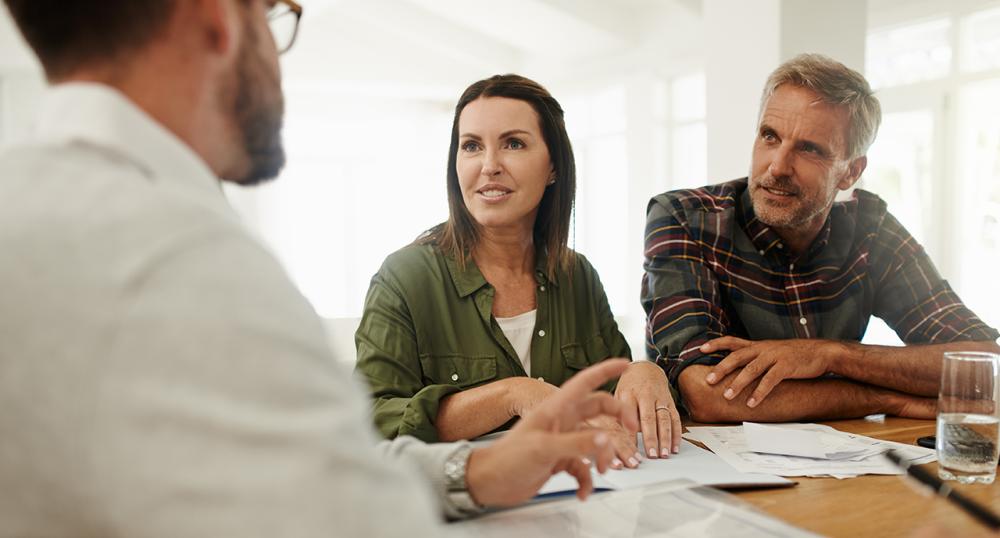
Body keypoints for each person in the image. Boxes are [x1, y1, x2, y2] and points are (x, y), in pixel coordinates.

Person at [0, 1, 639, 534]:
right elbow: (359, 513)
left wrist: (471, 472)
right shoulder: (198, 262)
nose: (489, 164)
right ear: (219, 18)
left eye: (513, 144)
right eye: (276, 14)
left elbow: (292, 470)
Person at [642, 53, 1000, 424]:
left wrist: (832, 355)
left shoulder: (870, 229)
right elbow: (707, 393)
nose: (778, 166)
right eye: (770, 136)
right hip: (714, 473)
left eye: (809, 149)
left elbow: (983, 364)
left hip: (842, 466)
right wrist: (883, 398)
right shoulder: (685, 217)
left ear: (851, 172)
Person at [354, 74, 681, 466]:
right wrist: (513, 395)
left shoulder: (577, 276)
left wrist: (643, 373)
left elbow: (613, 400)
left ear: (554, 167)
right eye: (472, 146)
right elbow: (370, 422)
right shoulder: (404, 277)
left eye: (513, 143)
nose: (489, 166)